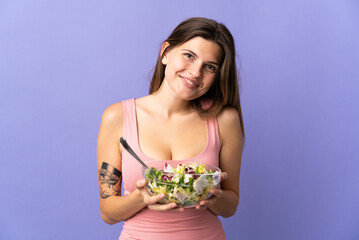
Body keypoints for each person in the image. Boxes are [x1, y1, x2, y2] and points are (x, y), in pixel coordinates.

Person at [97, 17, 244, 240]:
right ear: (166, 52)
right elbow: (108, 214)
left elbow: (230, 206)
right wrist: (140, 198)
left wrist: (215, 195)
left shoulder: (224, 119)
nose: (196, 73)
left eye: (210, 67)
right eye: (189, 56)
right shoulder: (117, 117)